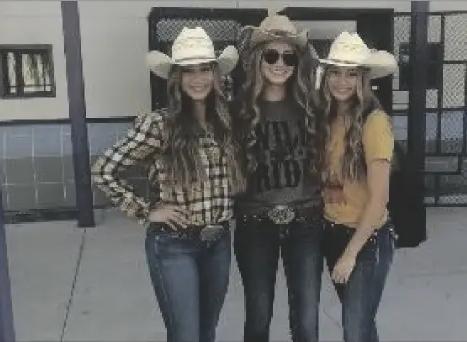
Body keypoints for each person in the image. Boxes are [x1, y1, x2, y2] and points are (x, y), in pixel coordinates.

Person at [91, 27, 244, 342]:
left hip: (218, 242)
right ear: (176, 78)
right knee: (185, 335)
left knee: (206, 332)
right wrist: (147, 211)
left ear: (216, 75)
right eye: (188, 71)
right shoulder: (160, 124)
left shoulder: (227, 121)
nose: (197, 78)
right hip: (174, 245)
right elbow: (103, 169)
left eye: (205, 69)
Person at [233, 14, 323, 342]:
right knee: (258, 315)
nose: (280, 64)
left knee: (307, 319)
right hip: (255, 225)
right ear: (258, 60)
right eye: (271, 55)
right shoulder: (237, 111)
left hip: (307, 223)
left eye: (289, 56)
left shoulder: (313, 107)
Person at [315, 31, 399, 342]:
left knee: (354, 328)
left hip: (366, 242)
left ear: (363, 79)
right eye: (336, 72)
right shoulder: (328, 118)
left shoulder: (375, 122)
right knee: (361, 325)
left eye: (352, 74)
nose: (342, 81)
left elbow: (380, 198)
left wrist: (350, 254)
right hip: (332, 233)